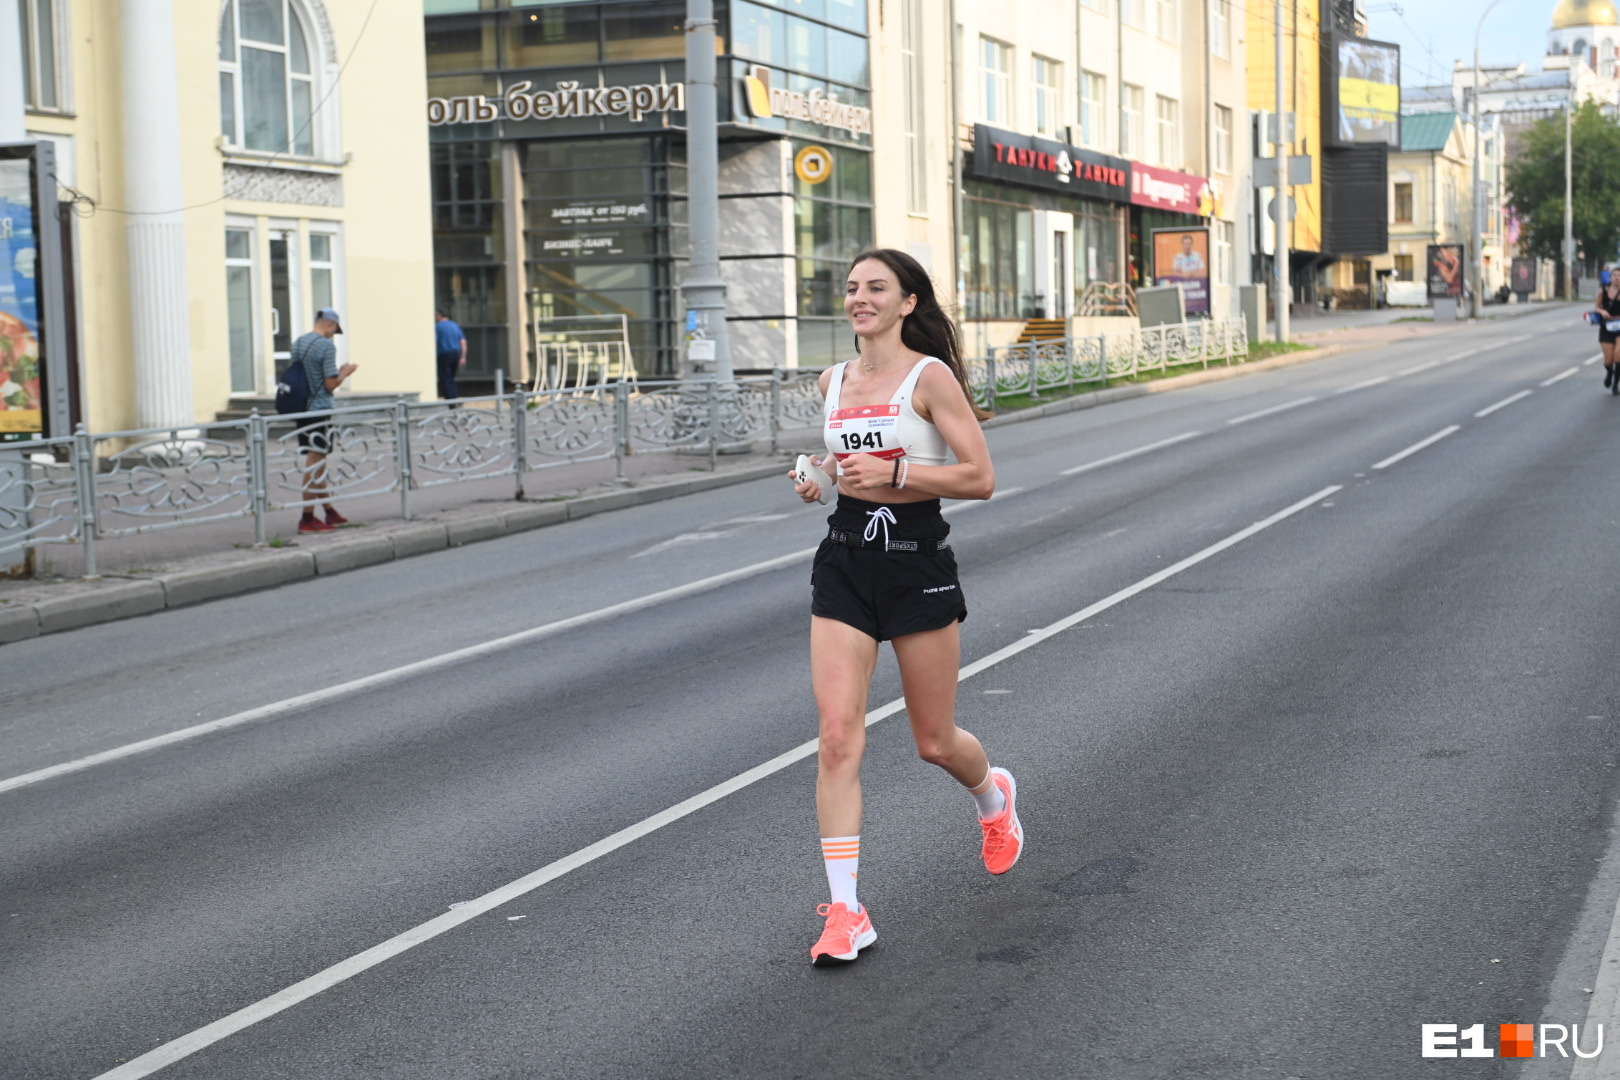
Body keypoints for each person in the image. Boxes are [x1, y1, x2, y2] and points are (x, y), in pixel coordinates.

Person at [788, 248, 1023, 967]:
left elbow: (980, 477)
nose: (859, 298)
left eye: (875, 288)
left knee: (934, 740)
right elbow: (843, 461)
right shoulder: (833, 381)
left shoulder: (930, 377)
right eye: (852, 288)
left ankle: (994, 796)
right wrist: (820, 474)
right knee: (836, 737)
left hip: (916, 564)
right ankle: (846, 912)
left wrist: (895, 470)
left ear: (907, 303)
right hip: (845, 563)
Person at [292, 308, 358, 533]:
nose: (333, 334)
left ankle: (329, 511)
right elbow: (330, 384)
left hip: (301, 407)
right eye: (334, 330)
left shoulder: (298, 342)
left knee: (316, 460)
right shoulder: (327, 346)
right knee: (315, 462)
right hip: (319, 409)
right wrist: (345, 373)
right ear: (330, 324)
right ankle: (307, 518)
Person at [1594, 274, 1620, 393]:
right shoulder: (1603, 292)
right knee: (1608, 359)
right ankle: (1610, 373)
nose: (1617, 278)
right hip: (1607, 327)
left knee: (1618, 355)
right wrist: (1602, 311)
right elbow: (1597, 307)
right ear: (1610, 278)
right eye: (1615, 275)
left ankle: (1615, 384)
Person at [434, 308, 467, 401]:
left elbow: (435, 342)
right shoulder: (455, 325)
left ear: (440, 315)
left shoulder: (438, 326)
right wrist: (463, 357)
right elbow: (463, 342)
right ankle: (455, 399)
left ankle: (450, 402)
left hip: (444, 354)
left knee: (445, 378)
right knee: (451, 378)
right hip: (456, 354)